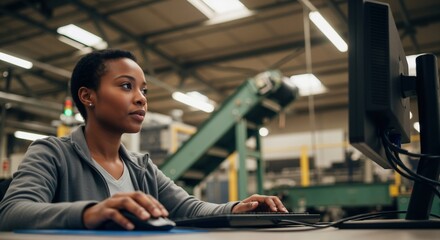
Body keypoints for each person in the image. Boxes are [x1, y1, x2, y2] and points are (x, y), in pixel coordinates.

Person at [0, 49, 287, 231]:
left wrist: (238, 208)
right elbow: (12, 212)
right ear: (88, 96)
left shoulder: (141, 167)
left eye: (144, 90)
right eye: (126, 86)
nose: (141, 98)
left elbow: (189, 208)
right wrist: (89, 212)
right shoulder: (51, 153)